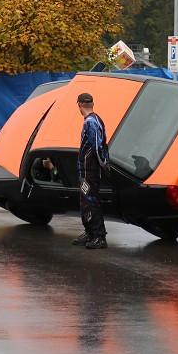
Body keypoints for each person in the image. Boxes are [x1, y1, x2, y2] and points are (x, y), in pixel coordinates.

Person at [72, 92, 109, 249]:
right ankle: (89, 232)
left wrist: (103, 164)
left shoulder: (90, 122)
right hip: (86, 169)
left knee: (91, 201)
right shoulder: (95, 119)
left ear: (79, 105)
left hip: (90, 170)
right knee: (86, 201)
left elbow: (97, 146)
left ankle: (99, 236)